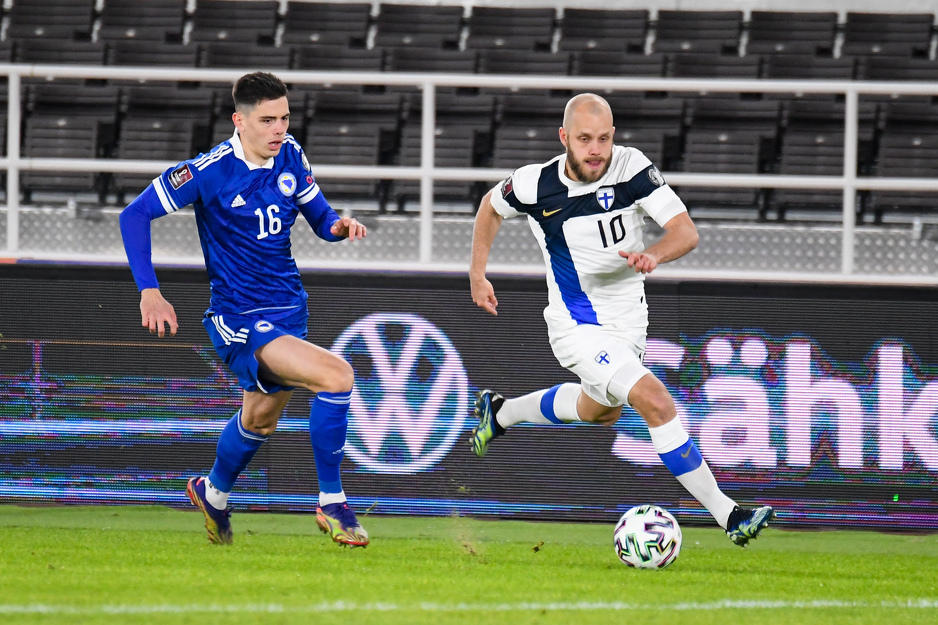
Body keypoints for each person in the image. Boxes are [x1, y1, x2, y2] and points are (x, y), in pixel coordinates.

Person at [468, 93, 774, 547]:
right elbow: (491, 207)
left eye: (605, 138)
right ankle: (729, 515)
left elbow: (685, 231)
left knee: (601, 411)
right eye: (585, 139)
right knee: (656, 402)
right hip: (577, 325)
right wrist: (477, 273)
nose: (596, 149)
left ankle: (502, 412)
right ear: (564, 138)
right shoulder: (535, 185)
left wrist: (654, 254)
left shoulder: (631, 168)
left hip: (629, 322)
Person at [119, 72, 370, 547]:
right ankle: (332, 501)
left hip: (289, 310)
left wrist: (340, 226)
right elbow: (133, 215)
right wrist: (148, 291)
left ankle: (211, 494)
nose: (279, 128)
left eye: (285, 118)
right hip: (238, 318)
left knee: (259, 421)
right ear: (240, 120)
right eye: (268, 120)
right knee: (336, 376)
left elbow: (320, 220)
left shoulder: (291, 153)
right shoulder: (208, 171)